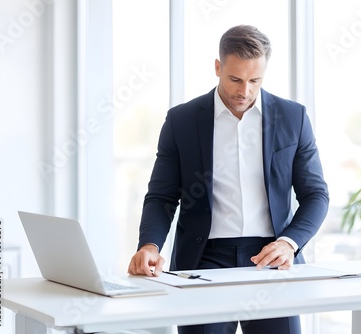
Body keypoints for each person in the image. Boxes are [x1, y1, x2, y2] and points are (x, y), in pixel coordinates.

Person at [128, 24, 329, 334]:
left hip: (271, 259)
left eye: (255, 80)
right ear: (218, 67)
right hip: (204, 259)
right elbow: (162, 197)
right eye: (235, 79)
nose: (244, 91)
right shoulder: (181, 121)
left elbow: (316, 195)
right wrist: (149, 245)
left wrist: (290, 243)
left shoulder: (293, 118)